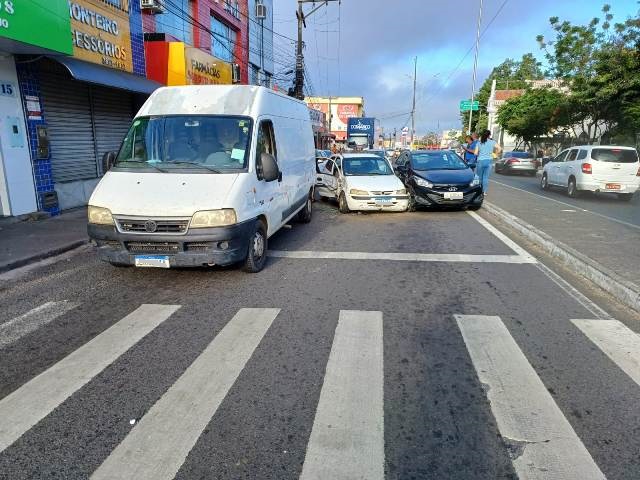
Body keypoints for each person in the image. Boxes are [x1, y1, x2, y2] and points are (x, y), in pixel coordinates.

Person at [474, 130, 502, 196]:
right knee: (485, 177)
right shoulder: (492, 142)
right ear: (489, 135)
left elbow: (475, 153)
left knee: (479, 177)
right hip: (489, 161)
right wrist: (495, 154)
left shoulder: (479, 143)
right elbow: (500, 148)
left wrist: (480, 154)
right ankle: (484, 192)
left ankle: (479, 191)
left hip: (480, 161)